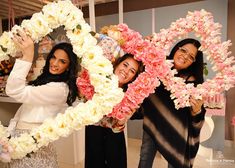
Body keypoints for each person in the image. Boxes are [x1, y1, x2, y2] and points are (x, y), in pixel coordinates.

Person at [4, 29, 79, 168]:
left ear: (69, 67)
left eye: (62, 61)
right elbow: (24, 107)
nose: (55, 63)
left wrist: (28, 55)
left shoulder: (59, 89)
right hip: (20, 139)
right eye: (53, 57)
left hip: (34, 142)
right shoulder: (47, 81)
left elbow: (14, 90)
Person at [138, 38, 206, 168]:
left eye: (191, 56)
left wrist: (196, 110)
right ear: (176, 49)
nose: (185, 56)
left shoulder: (194, 83)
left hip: (177, 132)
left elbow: (197, 113)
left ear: (193, 62)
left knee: (174, 162)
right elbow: (143, 85)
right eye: (183, 50)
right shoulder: (159, 68)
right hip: (153, 123)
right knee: (145, 159)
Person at [85, 53, 143, 168]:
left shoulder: (130, 97)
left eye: (132, 71)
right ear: (117, 64)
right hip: (94, 133)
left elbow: (118, 127)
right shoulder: (98, 80)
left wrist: (123, 118)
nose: (126, 71)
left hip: (114, 138)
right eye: (125, 65)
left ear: (133, 77)